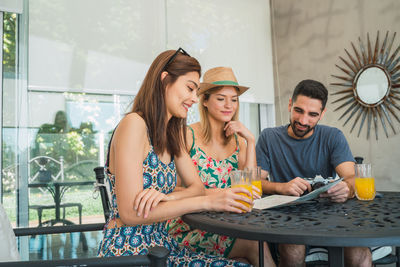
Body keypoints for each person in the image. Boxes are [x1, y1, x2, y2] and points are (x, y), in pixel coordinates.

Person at [97, 49, 253, 266]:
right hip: (130, 251)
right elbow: (130, 213)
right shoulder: (134, 124)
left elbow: (196, 187)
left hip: (163, 246)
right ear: (164, 80)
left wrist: (166, 196)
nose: (193, 98)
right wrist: (208, 202)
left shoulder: (171, 134)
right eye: (189, 88)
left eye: (196, 91)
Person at [256, 79, 372, 267]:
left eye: (312, 115)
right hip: (288, 217)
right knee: (292, 251)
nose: (303, 121)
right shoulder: (269, 137)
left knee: (359, 255)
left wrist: (347, 188)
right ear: (289, 105)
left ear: (322, 114)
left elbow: (352, 177)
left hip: (331, 215)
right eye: (298, 111)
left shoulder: (332, 136)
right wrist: (282, 187)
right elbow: (256, 181)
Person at [166, 67, 275, 266]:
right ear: (204, 100)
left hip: (226, 226)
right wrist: (220, 193)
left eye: (234, 99)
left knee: (245, 258)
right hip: (187, 227)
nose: (229, 105)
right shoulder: (186, 136)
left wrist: (250, 141)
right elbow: (173, 189)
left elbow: (250, 188)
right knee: (254, 245)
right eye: (221, 98)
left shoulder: (238, 141)